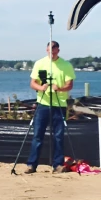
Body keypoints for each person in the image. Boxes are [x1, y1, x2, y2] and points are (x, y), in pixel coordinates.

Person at [24, 41, 75, 173]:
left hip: (59, 104)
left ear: (58, 50)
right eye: (49, 50)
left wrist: (60, 88)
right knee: (37, 135)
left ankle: (57, 165)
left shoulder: (66, 65)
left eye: (54, 50)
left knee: (58, 136)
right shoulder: (40, 63)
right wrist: (41, 88)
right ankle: (32, 165)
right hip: (43, 104)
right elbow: (33, 83)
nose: (51, 53)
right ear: (46, 50)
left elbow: (69, 85)